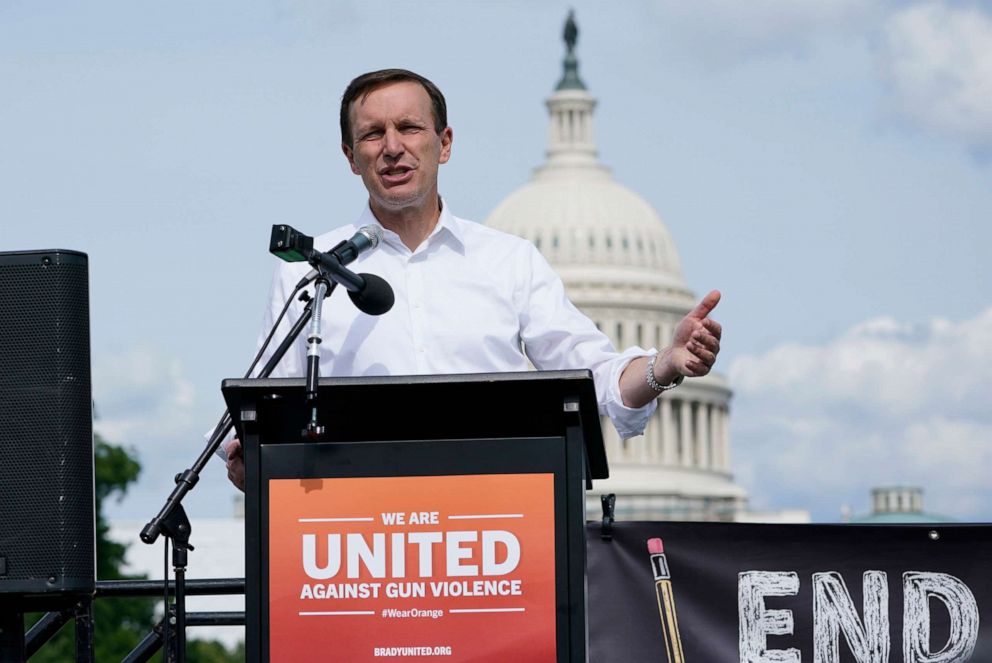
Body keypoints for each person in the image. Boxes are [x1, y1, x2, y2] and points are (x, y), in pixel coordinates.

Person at [224, 69, 722, 490]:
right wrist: (243, 458)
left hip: (491, 534)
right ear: (351, 157)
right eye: (374, 134)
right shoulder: (310, 270)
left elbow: (596, 378)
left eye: (410, 128)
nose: (393, 147)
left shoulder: (509, 261)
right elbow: (263, 407)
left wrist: (665, 363)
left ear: (444, 144)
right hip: (355, 542)